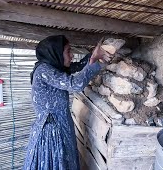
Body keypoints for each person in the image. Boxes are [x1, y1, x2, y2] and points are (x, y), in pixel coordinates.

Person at [23, 35, 112, 170]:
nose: (71, 55)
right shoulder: (43, 71)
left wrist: (93, 55)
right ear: (56, 53)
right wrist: (94, 61)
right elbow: (75, 85)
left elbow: (77, 66)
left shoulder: (54, 67)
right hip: (52, 131)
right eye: (68, 51)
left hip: (60, 124)